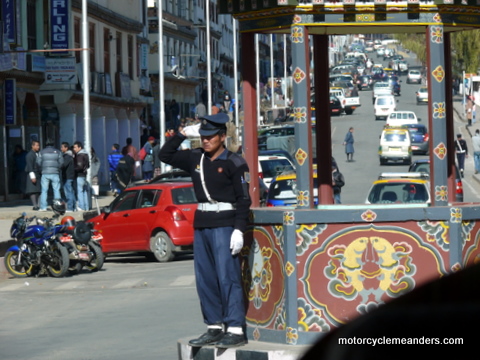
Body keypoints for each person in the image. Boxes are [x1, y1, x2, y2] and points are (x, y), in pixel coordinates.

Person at [159, 113, 251, 349]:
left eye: (211, 136)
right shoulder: (195, 158)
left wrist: (238, 230)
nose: (206, 140)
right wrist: (181, 134)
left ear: (223, 137)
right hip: (202, 224)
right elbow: (164, 155)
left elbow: (243, 200)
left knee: (227, 277)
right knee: (206, 279)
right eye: (203, 136)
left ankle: (235, 327)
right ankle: (214, 325)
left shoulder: (234, 162)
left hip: (225, 224)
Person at [36, 139, 64, 211]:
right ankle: (57, 206)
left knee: (44, 190)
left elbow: (38, 162)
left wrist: (42, 169)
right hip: (55, 173)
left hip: (45, 173)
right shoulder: (58, 152)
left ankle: (43, 207)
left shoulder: (41, 152)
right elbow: (61, 162)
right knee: (56, 189)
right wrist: (58, 168)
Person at [25, 140, 42, 210]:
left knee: (38, 190)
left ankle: (38, 205)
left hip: (38, 173)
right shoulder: (30, 155)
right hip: (32, 174)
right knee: (32, 191)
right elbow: (30, 166)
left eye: (38, 145)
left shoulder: (38, 153)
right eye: (37, 145)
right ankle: (35, 205)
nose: (38, 147)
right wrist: (32, 176)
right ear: (32, 146)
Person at [73, 141, 90, 211]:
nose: (74, 149)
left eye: (75, 147)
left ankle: (81, 206)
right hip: (84, 175)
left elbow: (79, 166)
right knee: (84, 191)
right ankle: (86, 207)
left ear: (80, 147)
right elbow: (88, 165)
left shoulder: (80, 155)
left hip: (80, 175)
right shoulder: (86, 154)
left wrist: (74, 169)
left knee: (80, 191)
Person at [60, 142, 76, 212]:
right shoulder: (71, 155)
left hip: (67, 177)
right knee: (71, 192)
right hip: (70, 176)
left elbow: (63, 165)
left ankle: (70, 208)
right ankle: (74, 207)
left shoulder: (67, 156)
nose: (61, 148)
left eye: (62, 147)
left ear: (66, 148)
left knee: (68, 193)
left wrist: (58, 165)